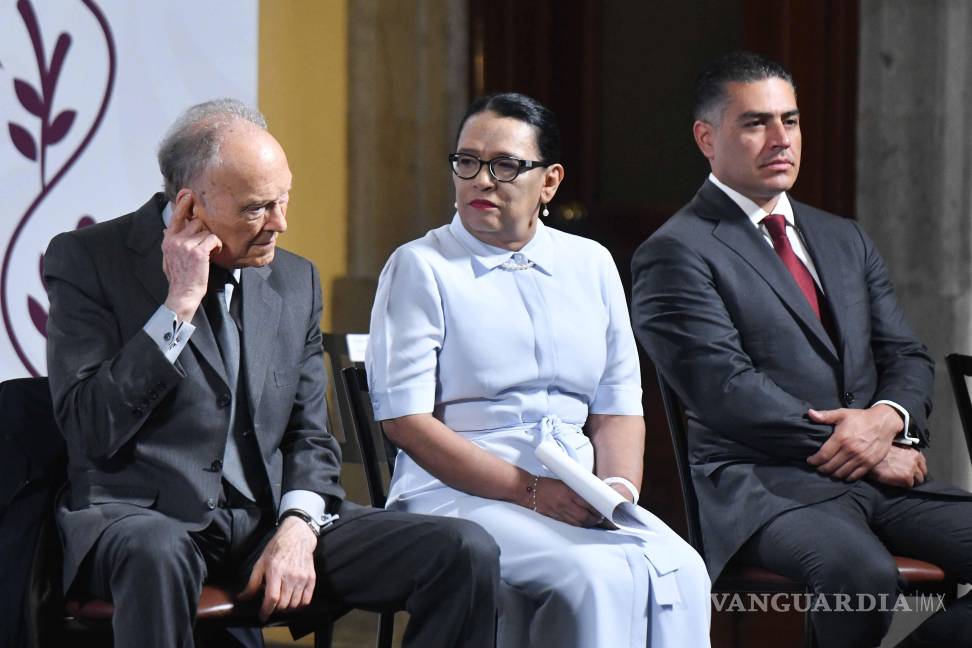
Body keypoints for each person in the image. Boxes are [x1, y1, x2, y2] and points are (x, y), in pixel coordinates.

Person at [44, 99, 500, 648]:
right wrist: (178, 306)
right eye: (258, 208)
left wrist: (299, 525)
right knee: (156, 552)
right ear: (190, 205)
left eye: (284, 200)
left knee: (463, 550)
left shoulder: (294, 280)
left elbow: (310, 435)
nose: (279, 224)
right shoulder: (88, 260)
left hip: (265, 522)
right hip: (143, 518)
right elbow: (90, 426)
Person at [631, 51, 972, 648]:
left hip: (881, 482)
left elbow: (907, 356)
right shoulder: (675, 251)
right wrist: (864, 447)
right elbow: (726, 392)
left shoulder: (843, 237)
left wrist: (887, 419)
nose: (780, 138)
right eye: (756, 122)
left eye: (790, 120)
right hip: (764, 488)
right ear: (706, 138)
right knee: (860, 575)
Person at [365, 92, 711, 648]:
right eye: (467, 162)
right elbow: (404, 421)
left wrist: (615, 491)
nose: (481, 180)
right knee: (594, 579)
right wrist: (528, 490)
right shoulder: (420, 266)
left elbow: (619, 405)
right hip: (454, 490)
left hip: (576, 487)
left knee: (684, 569)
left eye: (505, 166)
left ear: (549, 182)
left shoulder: (591, 263)